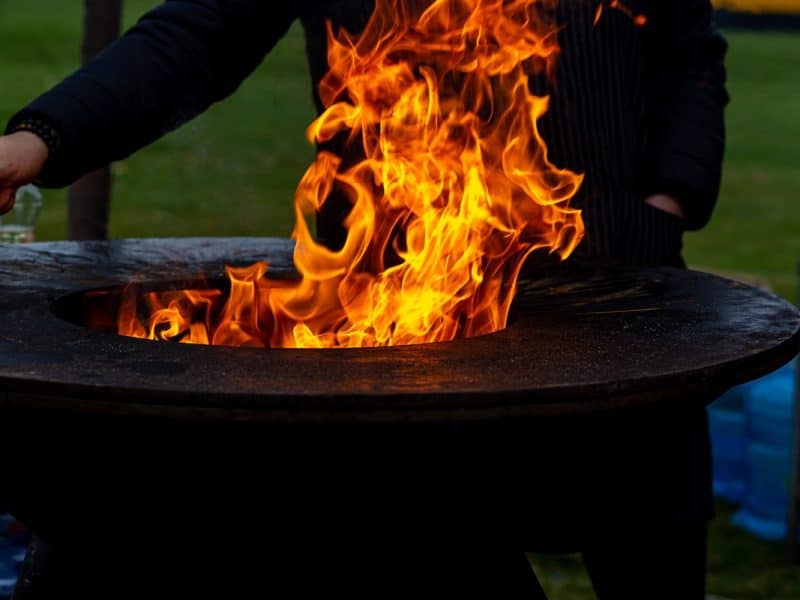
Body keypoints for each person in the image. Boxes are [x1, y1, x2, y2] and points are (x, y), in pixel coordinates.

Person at [0, 0, 727, 598]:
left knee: (648, 542)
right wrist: (40, 139)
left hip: (616, 294)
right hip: (402, 310)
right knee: (416, 552)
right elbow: (201, 29)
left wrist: (669, 198)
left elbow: (690, 50)